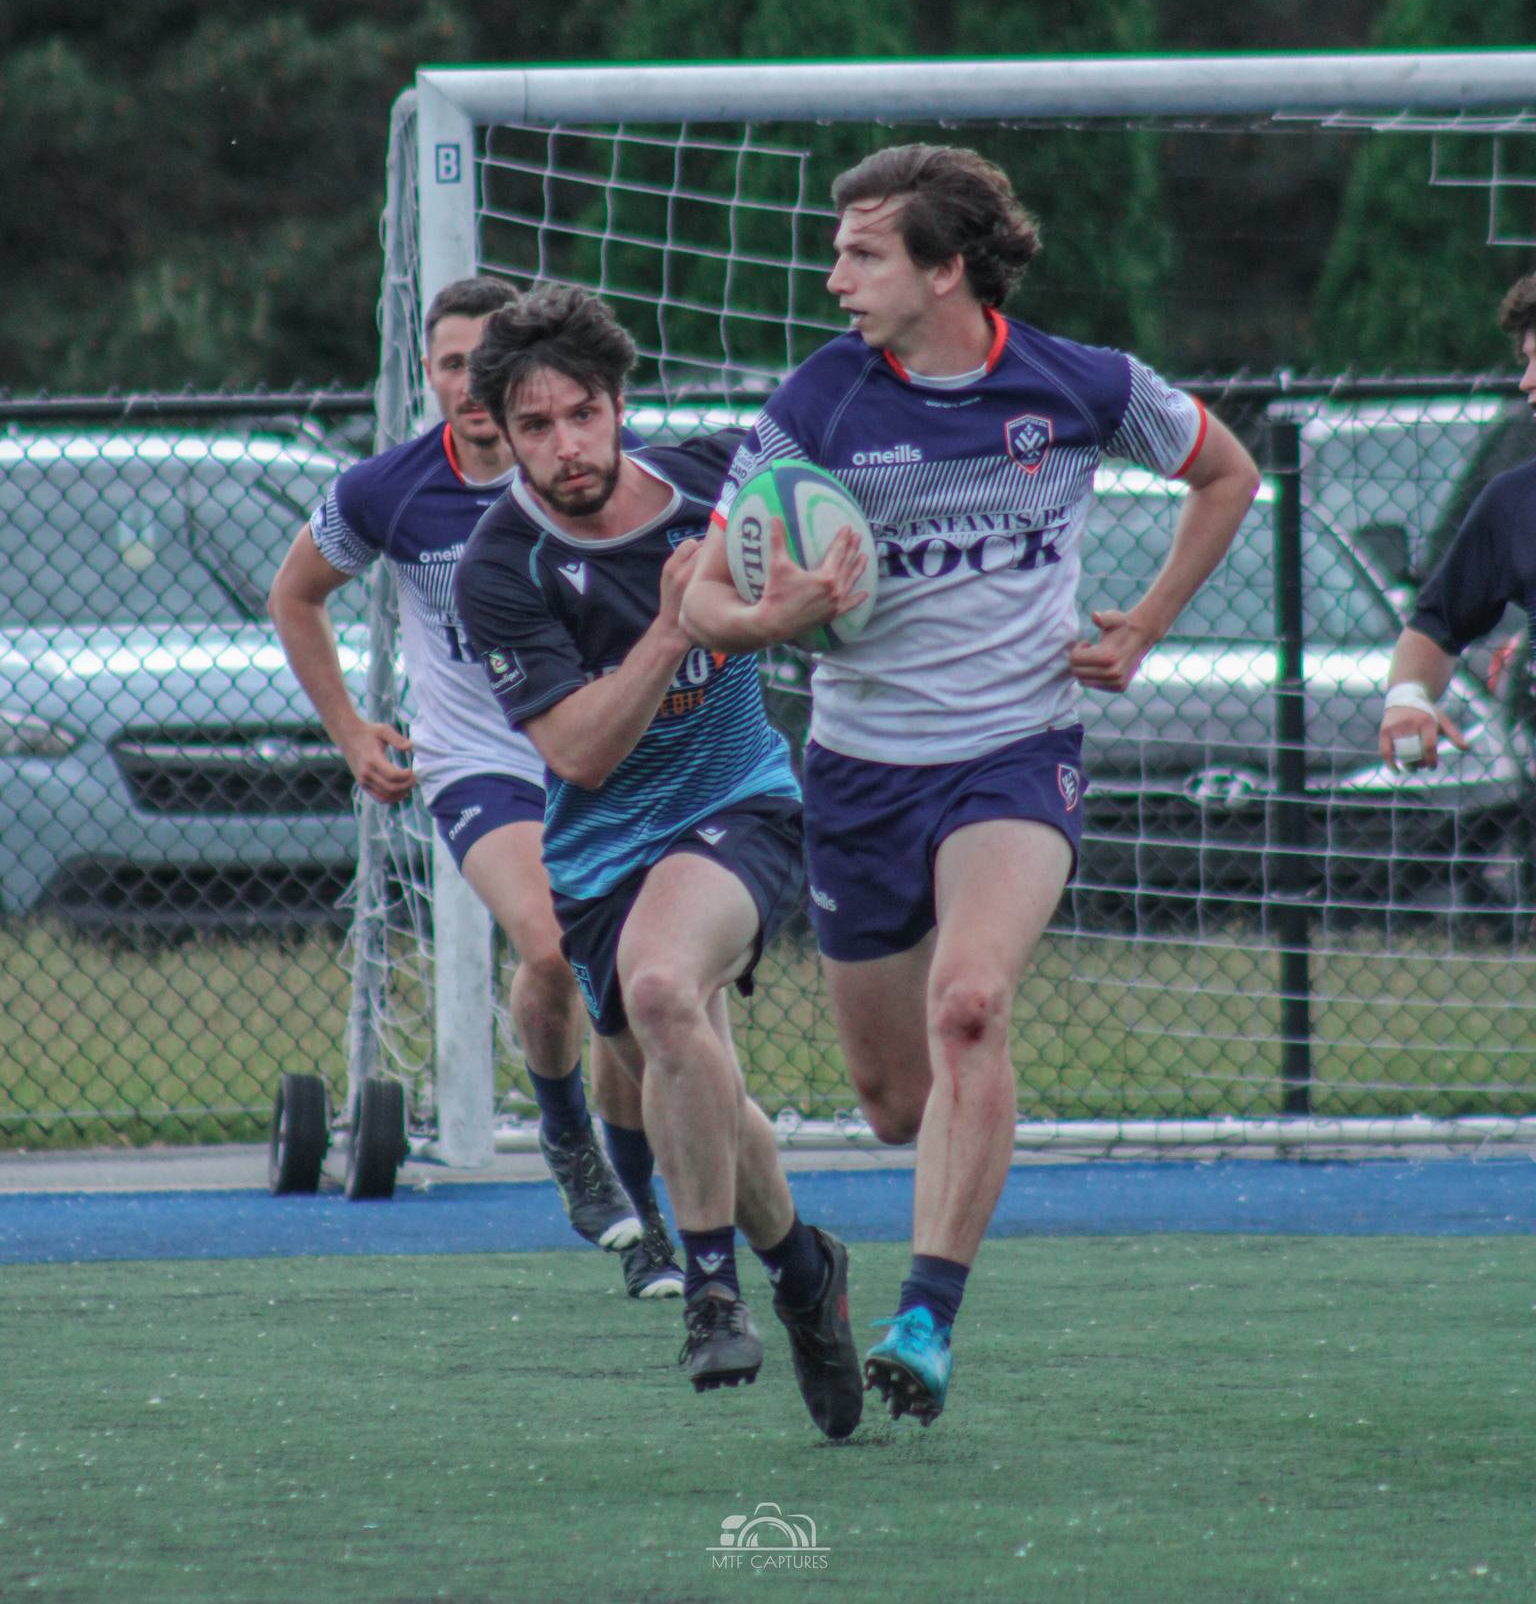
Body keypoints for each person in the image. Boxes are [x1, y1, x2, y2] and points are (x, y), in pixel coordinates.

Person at [681, 142, 1260, 1426]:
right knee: (894, 1103)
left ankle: (927, 1315)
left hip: (1017, 751)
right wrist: (779, 616)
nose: (835, 277)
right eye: (837, 251)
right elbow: (703, 600)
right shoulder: (815, 403)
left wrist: (1148, 621)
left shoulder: (1082, 384)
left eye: (864, 254)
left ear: (945, 269)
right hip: (861, 772)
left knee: (973, 1005)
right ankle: (844, 1272)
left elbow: (1227, 471)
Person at [452, 283, 864, 1438]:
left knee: (664, 986)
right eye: (535, 426)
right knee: (698, 1078)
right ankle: (805, 1271)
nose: (566, 446)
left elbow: (848, 509)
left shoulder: (720, 484)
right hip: (600, 858)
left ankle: (712, 1289)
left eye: (583, 413)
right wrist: (676, 622)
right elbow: (579, 752)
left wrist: (828, 590)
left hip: (740, 806)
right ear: (502, 433)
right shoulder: (501, 565)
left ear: (619, 401)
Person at [268, 275, 681, 1298]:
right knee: (554, 944)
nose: (470, 383)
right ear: (431, 373)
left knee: (632, 988)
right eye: (452, 363)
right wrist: (350, 728)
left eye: (485, 361)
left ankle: (650, 1207)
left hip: (606, 748)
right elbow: (295, 594)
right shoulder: (388, 490)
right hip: (482, 763)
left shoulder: (600, 471)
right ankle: (566, 1133)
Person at [1379, 270, 1536, 772]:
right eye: (1527, 361)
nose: (1527, 382)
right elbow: (1436, 625)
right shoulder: (1513, 502)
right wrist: (1408, 697)